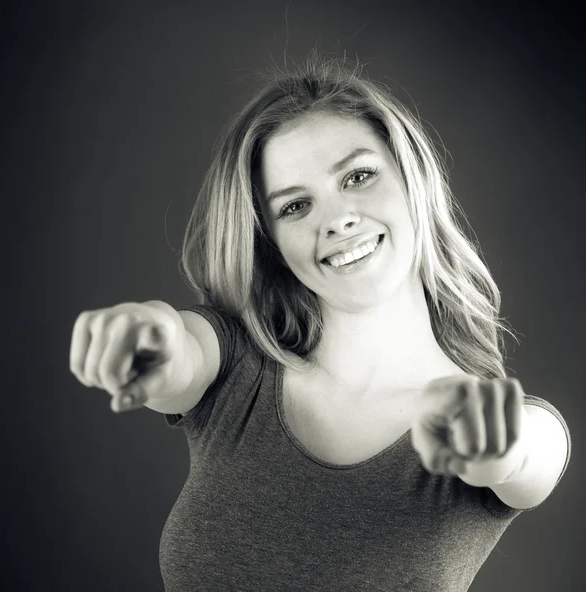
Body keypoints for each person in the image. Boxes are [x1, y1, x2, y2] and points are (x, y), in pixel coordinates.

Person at [69, 51, 571, 591]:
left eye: (357, 176)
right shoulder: (234, 368)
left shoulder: (506, 421)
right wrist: (150, 337)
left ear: (412, 181)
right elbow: (177, 355)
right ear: (272, 244)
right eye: (294, 207)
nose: (337, 219)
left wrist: (500, 450)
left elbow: (527, 456)